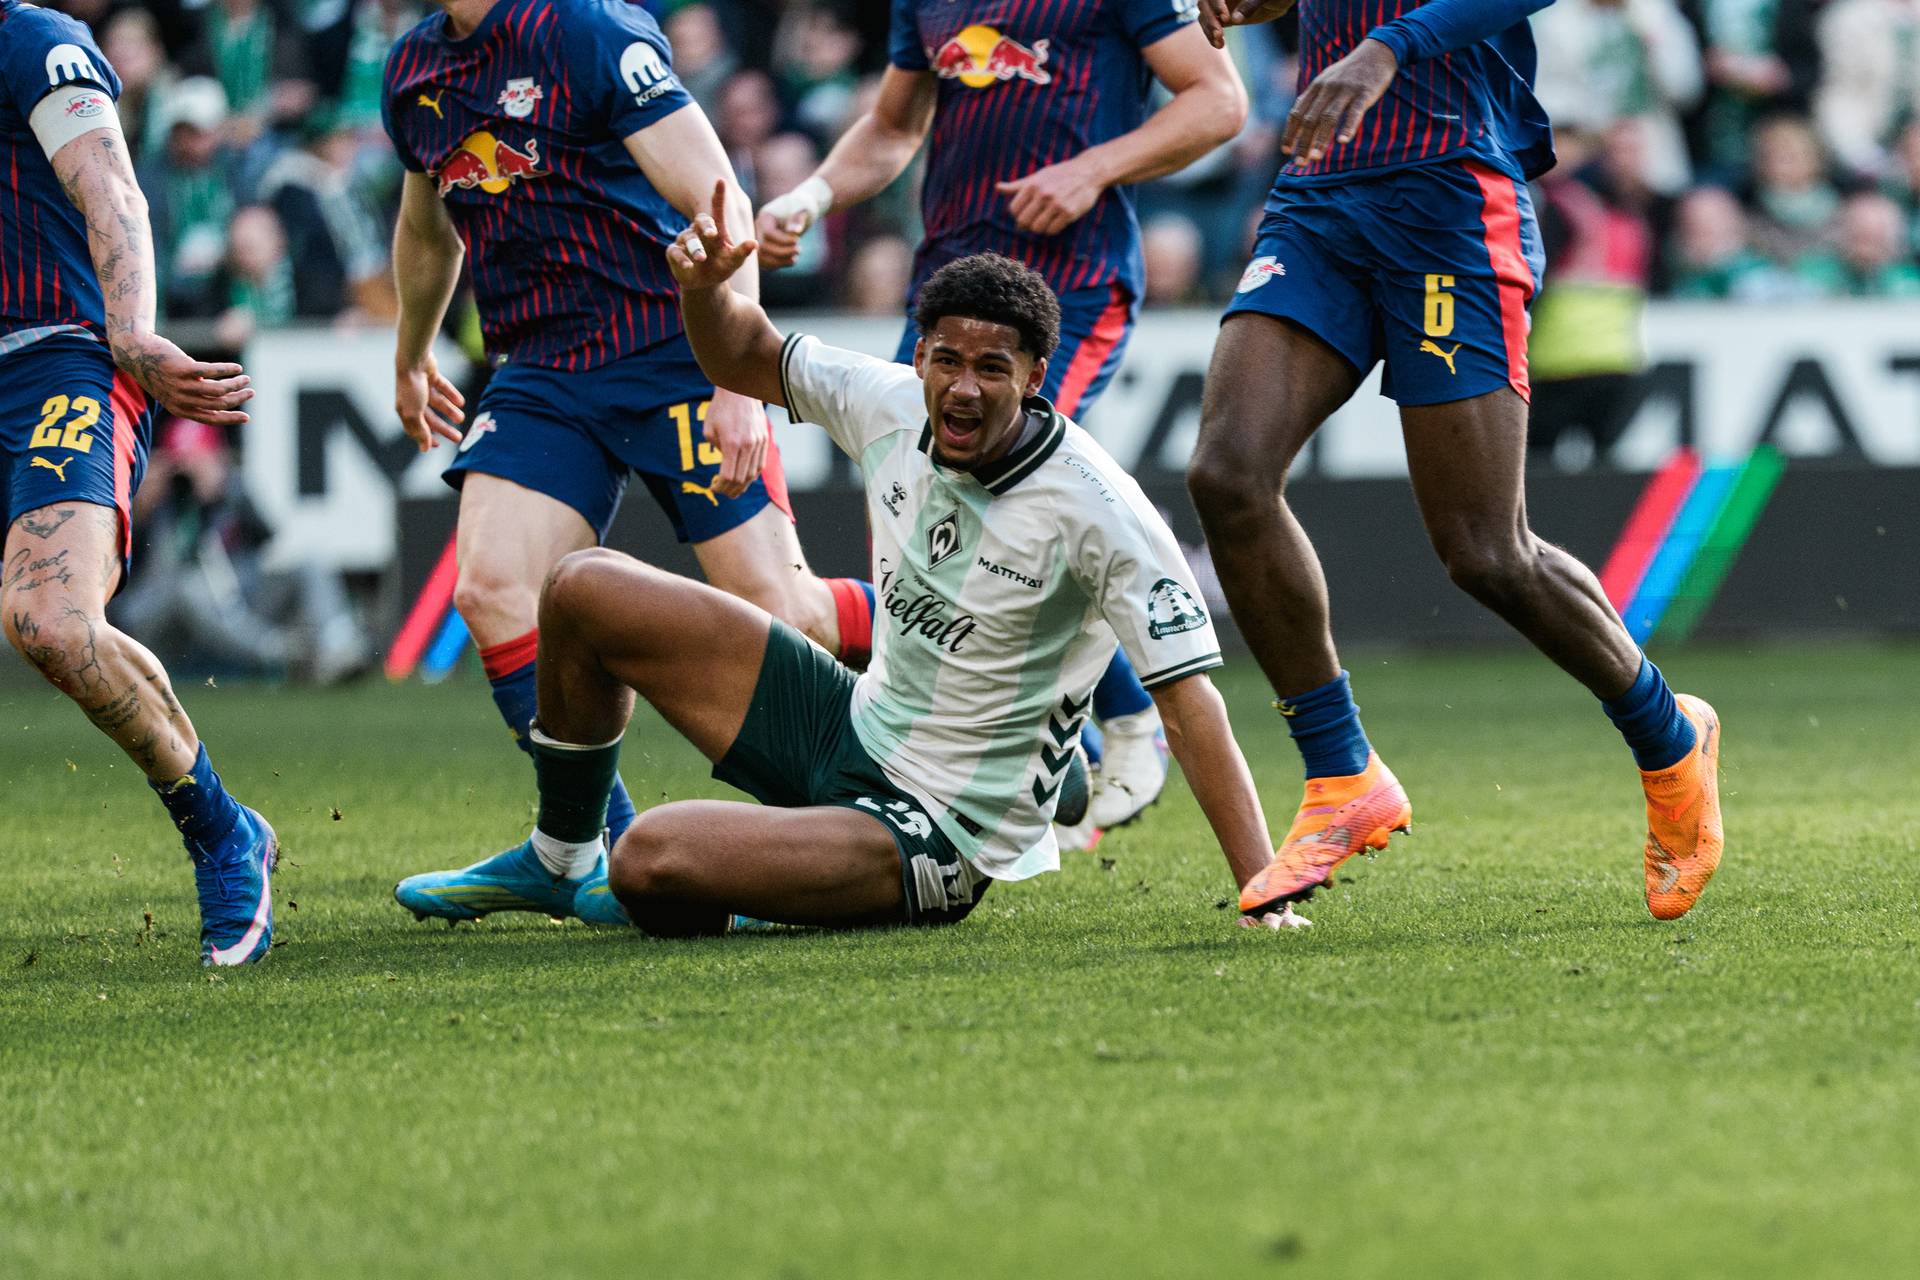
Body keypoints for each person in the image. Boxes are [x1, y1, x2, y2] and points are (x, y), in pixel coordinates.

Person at [423, 205, 1305, 935]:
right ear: (920, 356)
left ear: (1036, 377)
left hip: (939, 828)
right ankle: (561, 853)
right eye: (947, 361)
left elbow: (1192, 708)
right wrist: (701, 290)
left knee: (652, 858)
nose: (963, 388)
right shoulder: (886, 398)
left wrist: (1262, 890)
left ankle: (781, 890)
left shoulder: (1100, 510)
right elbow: (739, 353)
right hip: (851, 725)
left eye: (992, 369)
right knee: (583, 586)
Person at [1189, 0, 1725, 922]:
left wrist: (1383, 48)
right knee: (1226, 476)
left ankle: (1670, 739)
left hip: (1450, 191)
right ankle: (1340, 771)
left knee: (1485, 551)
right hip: (1322, 193)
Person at [380, 0, 877, 921]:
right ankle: (578, 850)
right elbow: (427, 228)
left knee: (782, 611)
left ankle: (959, 642)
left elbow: (718, 196)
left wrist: (739, 374)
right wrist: (412, 353)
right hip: (540, 372)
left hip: (672, 350)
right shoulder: (412, 70)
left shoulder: (587, 33)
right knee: (492, 590)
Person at [754, 0, 1249, 834]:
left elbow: (1219, 100)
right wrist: (811, 194)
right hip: (951, 295)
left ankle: (1130, 723)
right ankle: (1066, 741)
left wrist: (1093, 169)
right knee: (966, 500)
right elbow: (890, 127)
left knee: (1032, 478)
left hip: (1071, 291)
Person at [0, 0, 275, 965]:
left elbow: (114, 187)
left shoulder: (32, 39)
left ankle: (221, 833)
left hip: (58, 359)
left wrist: (130, 331)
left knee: (50, 618)